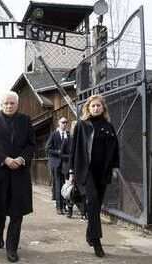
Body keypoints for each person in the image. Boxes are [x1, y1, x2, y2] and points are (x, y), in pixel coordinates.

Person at [0, 91, 36, 263]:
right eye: (6, 103)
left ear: (17, 104)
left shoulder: (25, 121)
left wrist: (21, 159)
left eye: (12, 103)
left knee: (17, 212)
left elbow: (31, 145)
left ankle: (11, 248)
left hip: (19, 173)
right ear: (1, 104)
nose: (9, 106)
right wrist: (5, 160)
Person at [69, 94, 119, 258]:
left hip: (103, 171)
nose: (96, 108)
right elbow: (73, 150)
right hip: (86, 170)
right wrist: (71, 172)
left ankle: (90, 233)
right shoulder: (81, 125)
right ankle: (97, 242)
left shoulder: (108, 126)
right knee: (93, 201)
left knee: (95, 207)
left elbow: (115, 149)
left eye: (98, 106)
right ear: (88, 108)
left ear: (103, 108)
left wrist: (115, 168)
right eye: (93, 106)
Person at [45, 117, 70, 215]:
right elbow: (47, 148)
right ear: (59, 123)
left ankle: (65, 205)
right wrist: (58, 152)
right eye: (63, 122)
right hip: (56, 163)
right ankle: (59, 207)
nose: (65, 124)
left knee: (66, 184)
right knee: (58, 184)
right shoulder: (54, 134)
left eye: (66, 122)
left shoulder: (68, 135)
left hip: (66, 163)